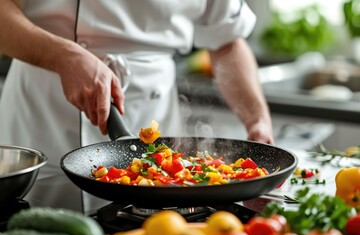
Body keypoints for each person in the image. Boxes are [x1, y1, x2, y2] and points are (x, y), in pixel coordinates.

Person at [0, 0, 274, 213]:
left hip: (153, 107)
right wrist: (63, 57)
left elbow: (227, 41)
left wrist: (257, 120)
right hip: (42, 102)